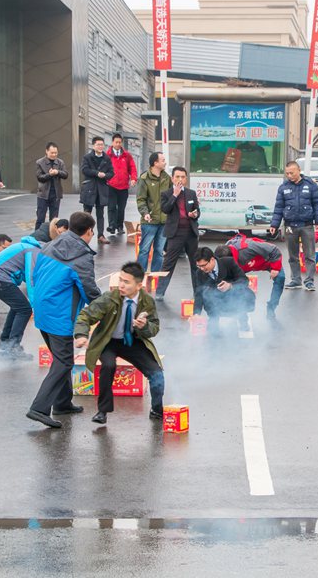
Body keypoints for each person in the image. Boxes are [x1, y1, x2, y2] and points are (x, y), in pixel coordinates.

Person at [26, 212, 101, 428]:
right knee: (64, 361)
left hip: (42, 309)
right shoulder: (81, 256)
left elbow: (35, 274)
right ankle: (39, 408)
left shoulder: (51, 245)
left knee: (61, 357)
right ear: (88, 232)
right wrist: (108, 309)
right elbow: (89, 290)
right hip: (60, 315)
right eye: (92, 232)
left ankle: (62, 403)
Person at [76, 261, 166, 425]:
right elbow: (86, 315)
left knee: (157, 374)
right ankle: (102, 411)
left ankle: (157, 410)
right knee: (108, 366)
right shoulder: (109, 298)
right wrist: (81, 335)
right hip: (108, 341)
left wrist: (144, 327)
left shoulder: (147, 301)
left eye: (126, 282)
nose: (121, 285)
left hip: (132, 341)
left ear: (139, 285)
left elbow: (154, 328)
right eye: (120, 280)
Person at [0, 234, 44, 359]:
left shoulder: (26, 247)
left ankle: (6, 343)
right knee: (25, 309)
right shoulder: (34, 251)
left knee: (17, 307)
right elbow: (31, 277)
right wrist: (35, 302)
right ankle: (13, 347)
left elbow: (24, 274)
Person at [269, 161, 318, 291]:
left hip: (307, 225)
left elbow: (317, 204)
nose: (289, 175)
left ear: (298, 170)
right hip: (290, 226)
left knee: (309, 255)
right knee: (293, 256)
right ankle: (296, 280)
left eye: (291, 173)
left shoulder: (310, 185)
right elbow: (279, 207)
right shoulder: (283, 187)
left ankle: (309, 281)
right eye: (287, 173)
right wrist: (274, 224)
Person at [155, 166, 200, 300]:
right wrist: (175, 194)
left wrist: (195, 214)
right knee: (168, 263)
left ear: (186, 179)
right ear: (172, 178)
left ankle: (198, 291)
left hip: (190, 232)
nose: (180, 180)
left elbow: (197, 211)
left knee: (196, 263)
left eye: (183, 177)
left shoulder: (191, 193)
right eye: (177, 177)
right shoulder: (166, 194)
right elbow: (166, 209)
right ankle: (160, 292)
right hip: (175, 233)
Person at [217, 233, 283, 322]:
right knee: (234, 285)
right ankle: (240, 313)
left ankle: (271, 307)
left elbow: (274, 250)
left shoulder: (248, 246)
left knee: (280, 278)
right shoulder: (222, 255)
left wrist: (275, 268)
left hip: (266, 262)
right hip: (244, 267)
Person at [193, 246, 256, 337]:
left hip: (234, 295)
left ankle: (242, 317)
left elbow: (244, 280)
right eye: (199, 266)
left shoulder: (229, 262)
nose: (202, 269)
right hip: (216, 299)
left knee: (241, 294)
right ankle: (214, 320)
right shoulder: (199, 273)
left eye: (203, 265)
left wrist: (230, 286)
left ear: (212, 259)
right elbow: (199, 293)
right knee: (207, 294)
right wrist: (196, 314)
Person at [136, 151, 171, 271]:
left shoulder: (167, 178)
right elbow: (141, 199)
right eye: (162, 160)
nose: (165, 162)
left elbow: (172, 197)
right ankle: (139, 277)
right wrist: (145, 213)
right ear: (155, 163)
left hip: (164, 221)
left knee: (159, 251)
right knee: (144, 250)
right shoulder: (144, 178)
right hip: (149, 221)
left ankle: (156, 277)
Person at [80, 136, 114, 244]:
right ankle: (85, 233)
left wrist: (105, 175)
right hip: (89, 187)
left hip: (102, 188)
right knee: (87, 213)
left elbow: (112, 173)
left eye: (102, 144)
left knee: (100, 213)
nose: (100, 146)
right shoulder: (87, 157)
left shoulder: (106, 158)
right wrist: (96, 173)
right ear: (93, 145)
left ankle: (100, 235)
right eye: (98, 144)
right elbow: (84, 170)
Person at [106, 133, 138, 235]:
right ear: (112, 142)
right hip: (111, 185)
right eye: (116, 142)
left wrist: (133, 178)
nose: (118, 144)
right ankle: (111, 225)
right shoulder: (107, 155)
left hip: (123, 186)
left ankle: (119, 226)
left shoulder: (127, 155)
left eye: (120, 142)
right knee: (111, 207)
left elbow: (132, 168)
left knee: (121, 208)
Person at [35, 142, 69, 230]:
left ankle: (52, 237)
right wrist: (49, 174)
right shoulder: (40, 162)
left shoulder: (60, 162)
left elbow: (65, 174)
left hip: (56, 194)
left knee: (54, 219)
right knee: (40, 218)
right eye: (52, 153)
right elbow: (39, 177)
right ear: (46, 151)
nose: (54, 155)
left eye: (56, 153)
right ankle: (36, 237)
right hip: (43, 194)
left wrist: (57, 172)